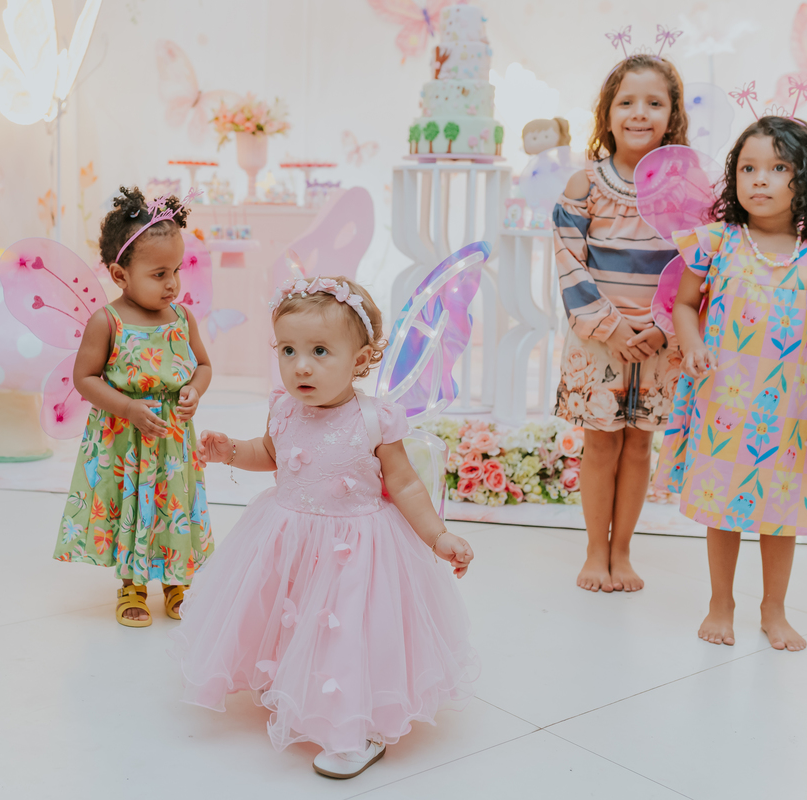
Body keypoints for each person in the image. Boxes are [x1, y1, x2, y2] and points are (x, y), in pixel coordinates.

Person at [172, 276, 477, 779]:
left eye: (319, 351)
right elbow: (270, 454)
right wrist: (229, 451)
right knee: (288, 611)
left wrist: (438, 536)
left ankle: (357, 725)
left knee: (349, 628)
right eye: (288, 350)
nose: (301, 365)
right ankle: (291, 680)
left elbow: (404, 486)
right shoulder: (282, 407)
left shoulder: (376, 419)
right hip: (288, 538)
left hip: (356, 549)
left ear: (359, 361)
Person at [659, 117, 807, 651]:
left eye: (777, 167)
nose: (759, 179)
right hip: (723, 402)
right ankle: (722, 602)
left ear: (806, 178)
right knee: (723, 508)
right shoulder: (717, 242)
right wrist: (692, 343)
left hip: (790, 411)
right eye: (748, 168)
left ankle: (774, 608)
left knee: (780, 513)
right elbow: (684, 306)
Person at [552, 54, 690, 592]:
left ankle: (623, 551)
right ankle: (594, 551)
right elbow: (569, 261)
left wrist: (662, 328)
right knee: (601, 444)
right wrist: (613, 329)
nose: (640, 113)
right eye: (626, 102)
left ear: (672, 115)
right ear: (606, 115)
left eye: (654, 103)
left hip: (659, 342)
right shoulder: (585, 185)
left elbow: (694, 268)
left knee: (639, 446)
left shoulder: (687, 192)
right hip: (599, 343)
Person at [53, 186, 214, 628]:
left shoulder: (182, 319)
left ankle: (177, 581)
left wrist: (195, 391)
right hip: (126, 439)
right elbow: (84, 379)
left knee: (172, 507)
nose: (173, 283)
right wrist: (127, 407)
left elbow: (202, 365)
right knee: (132, 506)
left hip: (172, 441)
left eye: (176, 270)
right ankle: (132, 584)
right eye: (159, 273)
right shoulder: (107, 321)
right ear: (120, 274)